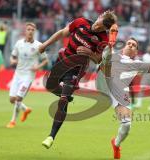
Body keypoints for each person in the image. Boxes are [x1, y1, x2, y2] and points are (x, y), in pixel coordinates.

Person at [40, 10, 117, 149]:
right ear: (99, 17)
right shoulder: (80, 22)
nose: (99, 28)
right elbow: (62, 33)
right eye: (100, 24)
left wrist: (90, 53)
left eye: (103, 28)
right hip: (62, 60)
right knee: (50, 86)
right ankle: (67, 94)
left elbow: (99, 59)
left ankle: (51, 136)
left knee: (62, 100)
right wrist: (45, 44)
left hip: (77, 69)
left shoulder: (102, 39)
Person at [6, 22, 48, 128]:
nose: (30, 31)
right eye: (28, 29)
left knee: (19, 98)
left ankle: (13, 121)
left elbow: (45, 60)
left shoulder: (39, 45)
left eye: (32, 30)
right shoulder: (19, 43)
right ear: (25, 31)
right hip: (18, 74)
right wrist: (12, 61)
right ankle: (26, 109)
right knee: (12, 99)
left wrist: (37, 67)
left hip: (28, 76)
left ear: (35, 32)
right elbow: (13, 56)